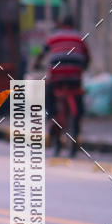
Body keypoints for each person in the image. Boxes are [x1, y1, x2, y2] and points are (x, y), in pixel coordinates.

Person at [36, 13, 90, 154]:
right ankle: (78, 120)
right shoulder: (79, 37)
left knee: (48, 91)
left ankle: (51, 115)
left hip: (57, 76)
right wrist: (82, 68)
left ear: (61, 23)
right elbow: (87, 56)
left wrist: (36, 63)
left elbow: (43, 52)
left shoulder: (54, 37)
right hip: (75, 77)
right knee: (78, 96)